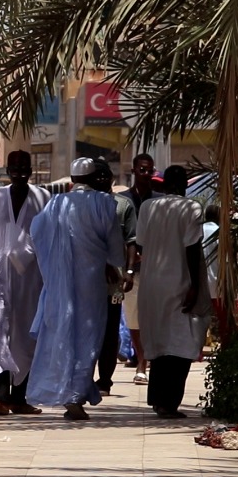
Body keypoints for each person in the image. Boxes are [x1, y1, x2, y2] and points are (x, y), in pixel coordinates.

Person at [27, 157, 125, 420]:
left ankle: (71, 390)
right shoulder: (104, 203)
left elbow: (36, 232)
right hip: (92, 282)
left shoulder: (56, 203)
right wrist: (115, 266)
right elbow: (115, 244)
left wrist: (53, 264)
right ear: (93, 177)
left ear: (72, 179)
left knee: (65, 332)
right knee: (89, 336)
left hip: (62, 282)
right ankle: (75, 395)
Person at [0, 150, 50, 416]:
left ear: (31, 169)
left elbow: (50, 238)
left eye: (24, 166)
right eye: (14, 165)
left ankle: (20, 398)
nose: (19, 170)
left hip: (31, 276)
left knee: (26, 335)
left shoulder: (43, 198)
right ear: (7, 169)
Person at [136, 165, 211, 419]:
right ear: (186, 184)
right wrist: (195, 286)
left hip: (151, 284)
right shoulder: (191, 208)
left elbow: (140, 243)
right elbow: (192, 247)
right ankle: (169, 403)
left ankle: (158, 399)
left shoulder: (147, 207)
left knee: (159, 342)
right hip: (180, 281)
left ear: (165, 184)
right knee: (181, 344)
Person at [89, 159, 137, 397]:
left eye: (104, 175)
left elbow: (131, 241)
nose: (100, 179)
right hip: (87, 281)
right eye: (96, 175)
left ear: (111, 178)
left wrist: (129, 271)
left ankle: (105, 380)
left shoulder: (123, 205)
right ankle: (84, 378)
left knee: (110, 329)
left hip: (114, 282)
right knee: (88, 329)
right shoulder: (82, 205)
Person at [118, 153, 164, 384]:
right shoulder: (122, 200)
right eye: (142, 170)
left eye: (149, 170)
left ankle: (151, 359)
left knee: (154, 317)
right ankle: (141, 361)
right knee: (133, 317)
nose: (146, 174)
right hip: (130, 270)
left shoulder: (159, 201)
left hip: (155, 269)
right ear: (134, 171)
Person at [202, 204, 230, 346]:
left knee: (199, 319)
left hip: (200, 284)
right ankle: (226, 346)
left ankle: (197, 350)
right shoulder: (220, 233)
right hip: (217, 283)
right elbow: (226, 261)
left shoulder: (197, 232)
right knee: (223, 317)